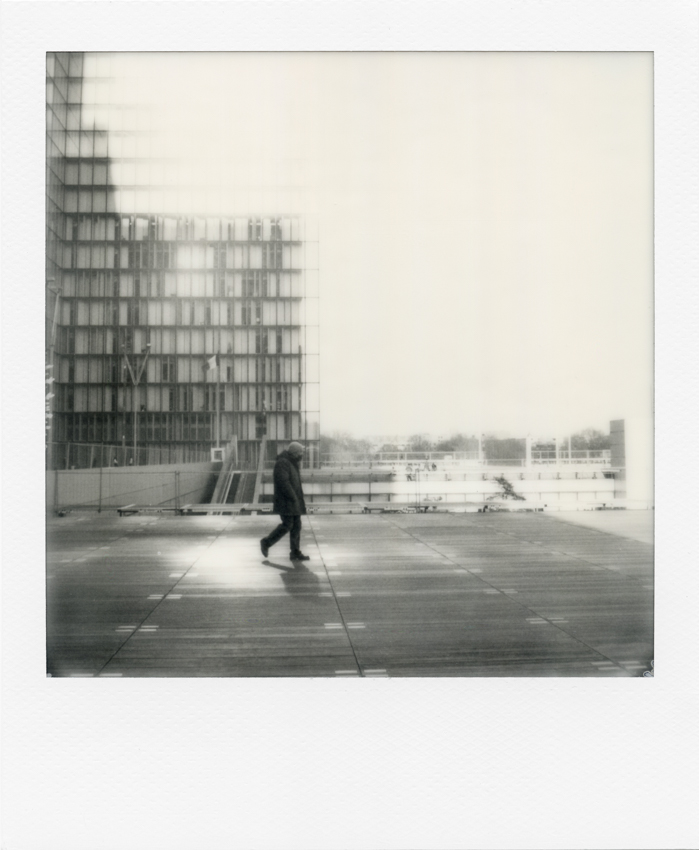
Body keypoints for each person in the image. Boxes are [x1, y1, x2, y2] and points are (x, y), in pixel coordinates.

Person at [260, 441, 309, 561]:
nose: (302, 454)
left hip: (293, 501)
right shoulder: (283, 463)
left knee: (296, 526)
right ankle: (266, 542)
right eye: (300, 452)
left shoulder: (292, 462)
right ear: (295, 453)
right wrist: (293, 497)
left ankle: (295, 552)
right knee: (288, 525)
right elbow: (284, 483)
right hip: (286, 501)